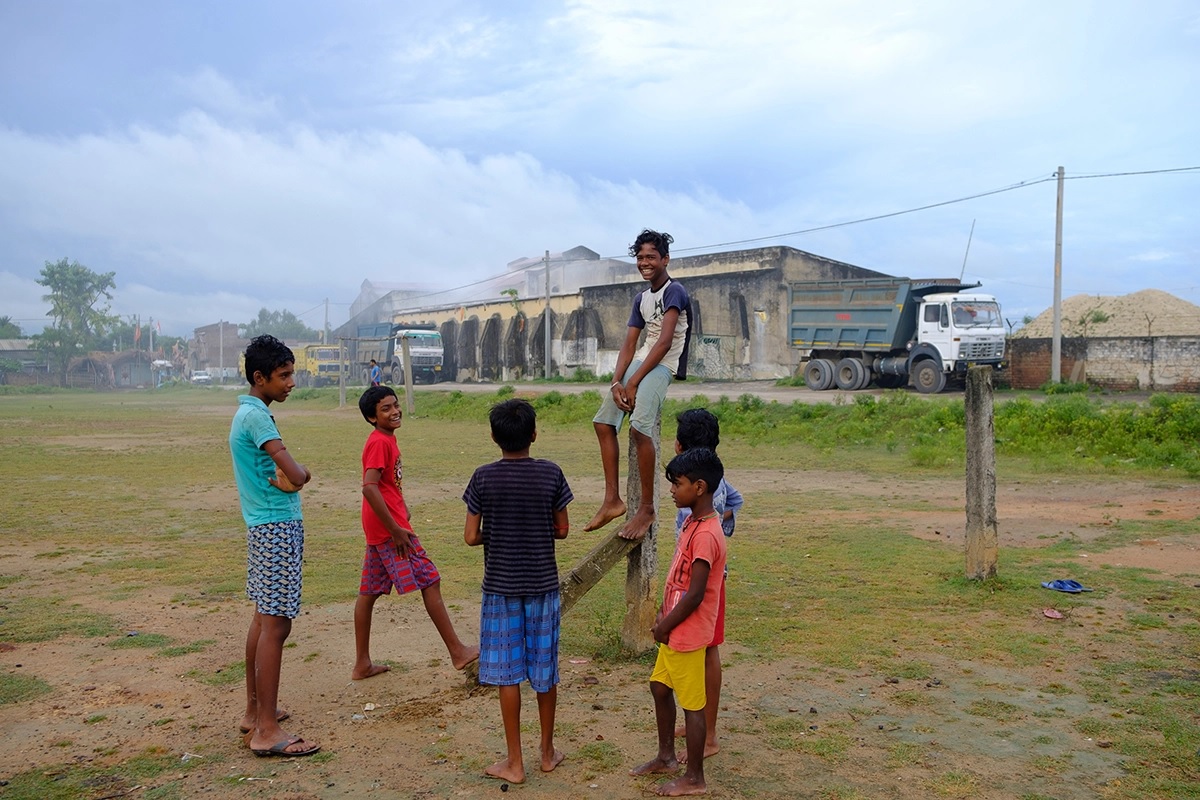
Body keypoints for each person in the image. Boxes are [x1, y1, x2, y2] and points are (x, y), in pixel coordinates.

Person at [463, 398, 573, 784]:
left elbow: (470, 536)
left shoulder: (482, 477)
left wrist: (498, 533)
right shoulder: (551, 474)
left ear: (494, 437)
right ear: (534, 435)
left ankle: (514, 761)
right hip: (543, 585)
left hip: (501, 588)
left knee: (508, 675)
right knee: (545, 671)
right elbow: (562, 529)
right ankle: (546, 752)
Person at [229, 334, 320, 757]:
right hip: (277, 526)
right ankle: (266, 729)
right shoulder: (259, 420)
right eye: (284, 376)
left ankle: (254, 711)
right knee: (277, 624)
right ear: (260, 377)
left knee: (263, 620)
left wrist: (295, 475)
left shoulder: (244, 413)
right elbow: (295, 474)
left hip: (261, 525)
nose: (291, 383)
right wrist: (302, 473)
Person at [352, 385, 478, 680]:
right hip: (390, 531)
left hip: (383, 526)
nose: (394, 411)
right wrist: (396, 528)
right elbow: (369, 486)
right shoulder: (379, 442)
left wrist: (402, 505)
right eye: (386, 409)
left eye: (395, 405)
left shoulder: (385, 439)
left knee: (368, 593)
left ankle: (361, 663)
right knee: (430, 581)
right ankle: (457, 652)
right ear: (372, 417)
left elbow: (384, 484)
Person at [585, 228, 692, 541]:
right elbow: (630, 344)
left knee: (639, 427)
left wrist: (633, 383)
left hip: (663, 365)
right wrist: (617, 381)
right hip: (641, 362)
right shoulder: (641, 299)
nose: (645, 262)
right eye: (640, 257)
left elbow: (664, 342)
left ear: (665, 260)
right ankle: (612, 500)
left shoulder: (675, 291)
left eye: (651, 257)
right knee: (604, 423)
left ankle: (646, 507)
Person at [630, 448, 726, 797]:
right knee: (659, 687)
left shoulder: (706, 534)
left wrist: (666, 624)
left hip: (686, 632)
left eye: (678, 484)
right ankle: (666, 756)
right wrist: (662, 612)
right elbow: (679, 579)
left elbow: (696, 593)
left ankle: (695, 777)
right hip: (673, 628)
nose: (671, 490)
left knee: (693, 705)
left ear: (699, 487)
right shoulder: (692, 521)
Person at [671, 409, 743, 760]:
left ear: (681, 446)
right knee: (696, 651)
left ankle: (709, 734)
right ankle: (698, 718)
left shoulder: (701, 489)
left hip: (705, 583)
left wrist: (722, 528)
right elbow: (737, 502)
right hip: (691, 579)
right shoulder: (714, 478)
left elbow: (731, 507)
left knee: (708, 650)